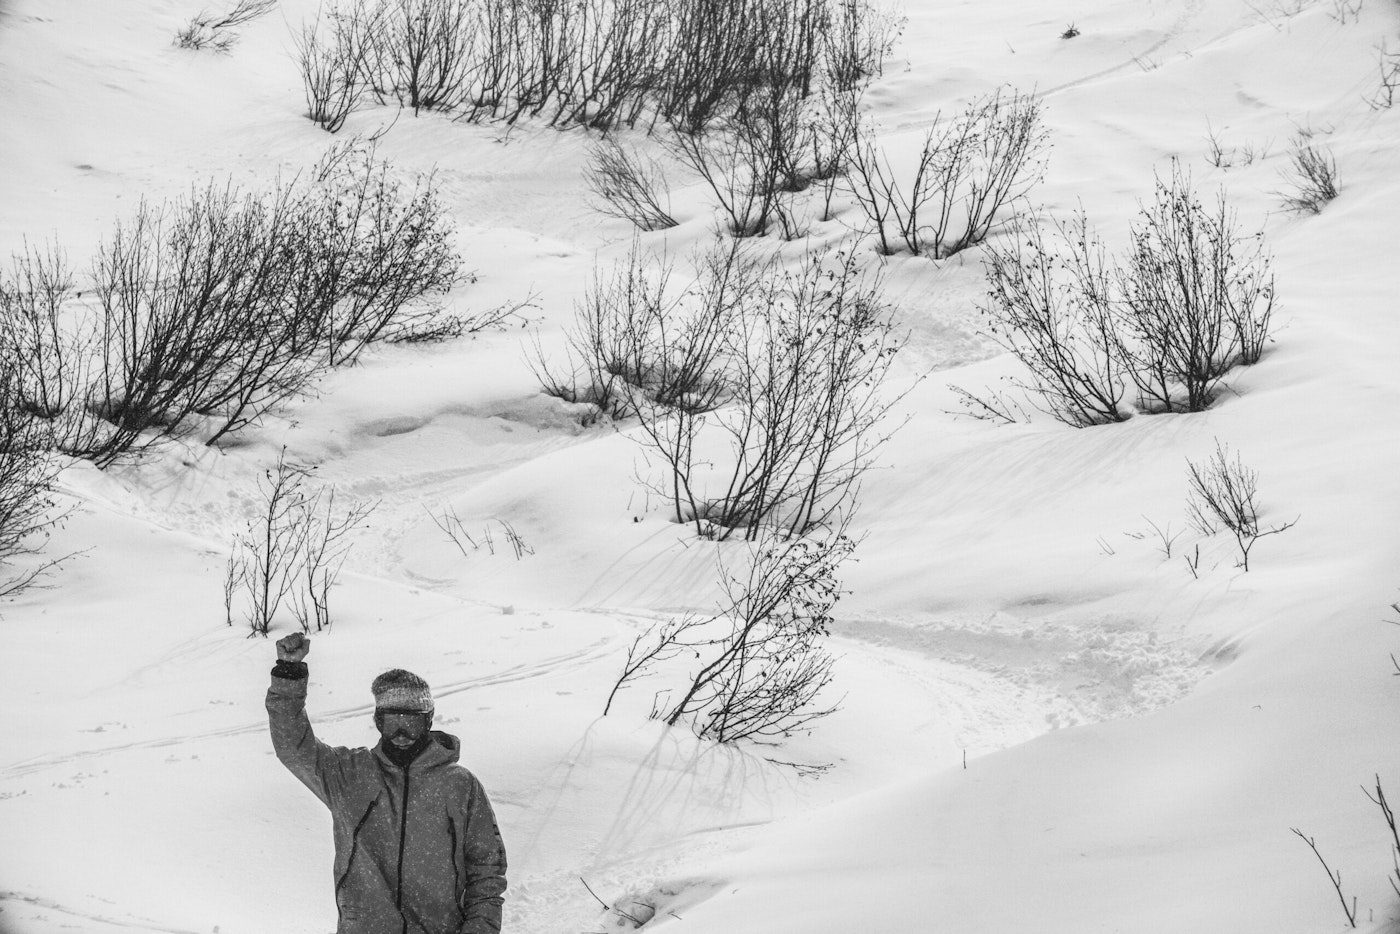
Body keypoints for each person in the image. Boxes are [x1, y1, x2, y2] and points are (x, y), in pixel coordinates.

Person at [266, 632, 507, 934]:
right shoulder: (350, 775)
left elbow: (487, 871)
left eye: (411, 722)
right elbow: (293, 748)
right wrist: (288, 675)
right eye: (392, 722)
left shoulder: (459, 785)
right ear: (378, 721)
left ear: (428, 721)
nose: (401, 734)